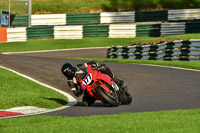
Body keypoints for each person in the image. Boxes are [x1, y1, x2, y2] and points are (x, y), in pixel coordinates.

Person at [61, 61, 130, 106]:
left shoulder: (78, 67)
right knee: (85, 103)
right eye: (67, 73)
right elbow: (76, 93)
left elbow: (88, 64)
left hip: (93, 76)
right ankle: (100, 97)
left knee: (103, 67)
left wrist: (95, 65)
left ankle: (116, 80)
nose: (69, 73)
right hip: (87, 87)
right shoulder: (70, 81)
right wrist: (80, 90)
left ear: (71, 68)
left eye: (69, 71)